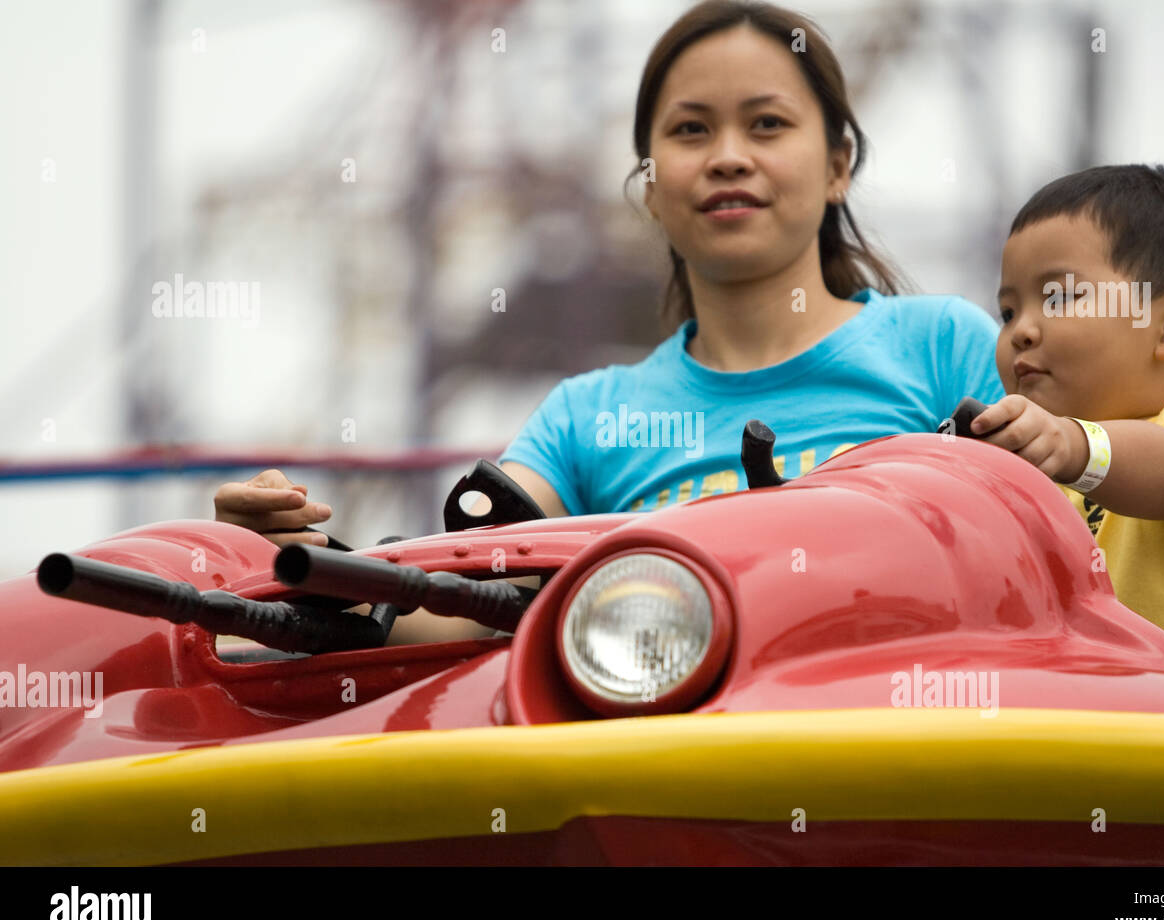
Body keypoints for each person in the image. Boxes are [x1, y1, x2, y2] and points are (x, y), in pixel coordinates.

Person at [213, 0, 1004, 641]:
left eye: (767, 124)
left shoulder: (946, 348)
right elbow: (457, 603)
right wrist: (311, 565)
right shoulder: (588, 417)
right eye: (691, 130)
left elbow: (1074, 544)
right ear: (651, 187)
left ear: (838, 165)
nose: (729, 156)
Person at [971, 164, 1164, 676]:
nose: (1021, 330)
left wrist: (1075, 447)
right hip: (1039, 729)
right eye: (1007, 312)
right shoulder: (1030, 468)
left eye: (1060, 296)